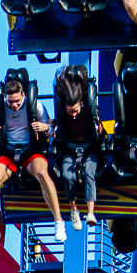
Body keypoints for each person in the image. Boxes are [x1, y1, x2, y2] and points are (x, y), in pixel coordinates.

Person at [0, 74, 66, 252]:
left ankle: (58, 221)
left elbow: (52, 131)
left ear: (23, 95)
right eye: (10, 101)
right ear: (5, 97)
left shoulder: (35, 106)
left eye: (17, 101)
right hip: (8, 154)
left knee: (43, 174)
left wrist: (46, 128)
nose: (14, 105)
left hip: (31, 152)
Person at [54, 66, 103, 230]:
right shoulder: (63, 114)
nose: (73, 114)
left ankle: (90, 212)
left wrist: (99, 128)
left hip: (89, 148)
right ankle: (74, 210)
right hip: (70, 149)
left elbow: (100, 133)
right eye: (70, 112)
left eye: (75, 111)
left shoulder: (90, 110)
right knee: (68, 175)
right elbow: (58, 129)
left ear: (81, 103)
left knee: (90, 171)